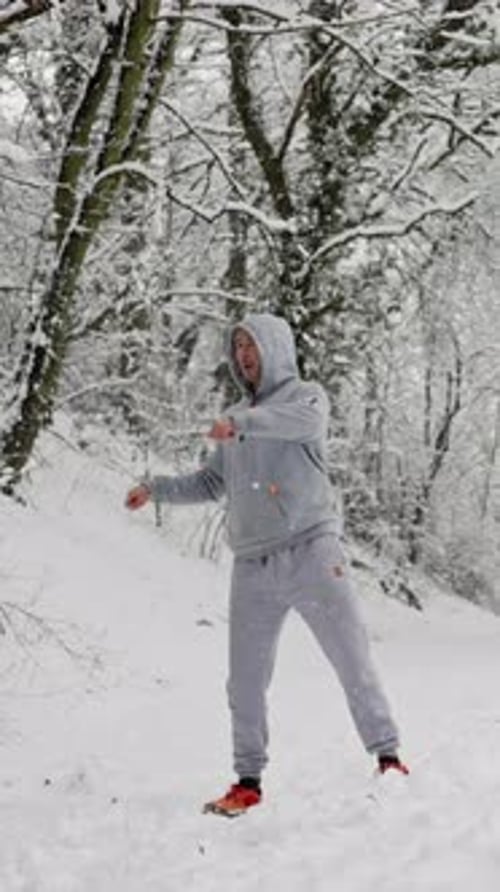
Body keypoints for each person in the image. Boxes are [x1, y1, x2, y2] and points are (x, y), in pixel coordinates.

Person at [125, 312, 408, 817]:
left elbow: (302, 425)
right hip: (253, 564)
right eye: (237, 348)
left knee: (351, 657)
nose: (243, 355)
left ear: (273, 349)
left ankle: (388, 758)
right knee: (245, 680)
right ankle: (247, 780)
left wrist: (241, 424)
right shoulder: (236, 416)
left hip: (313, 550)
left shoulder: (306, 397)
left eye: (251, 345)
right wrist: (158, 489)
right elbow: (213, 482)